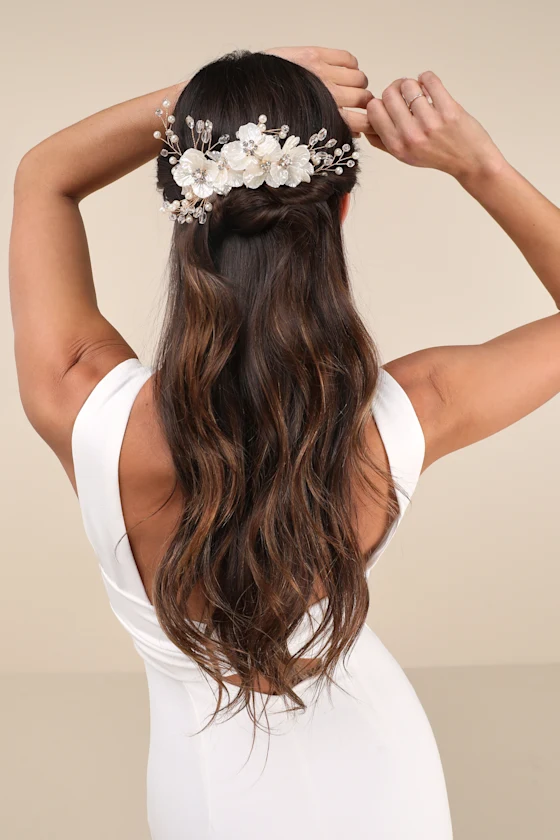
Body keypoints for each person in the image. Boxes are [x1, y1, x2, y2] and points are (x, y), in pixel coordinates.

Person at [9, 46, 560, 840]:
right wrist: (482, 168)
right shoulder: (410, 414)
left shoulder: (84, 403)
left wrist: (205, 106)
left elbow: (44, 175)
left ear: (189, 209)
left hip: (206, 796)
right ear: (338, 213)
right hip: (386, 781)